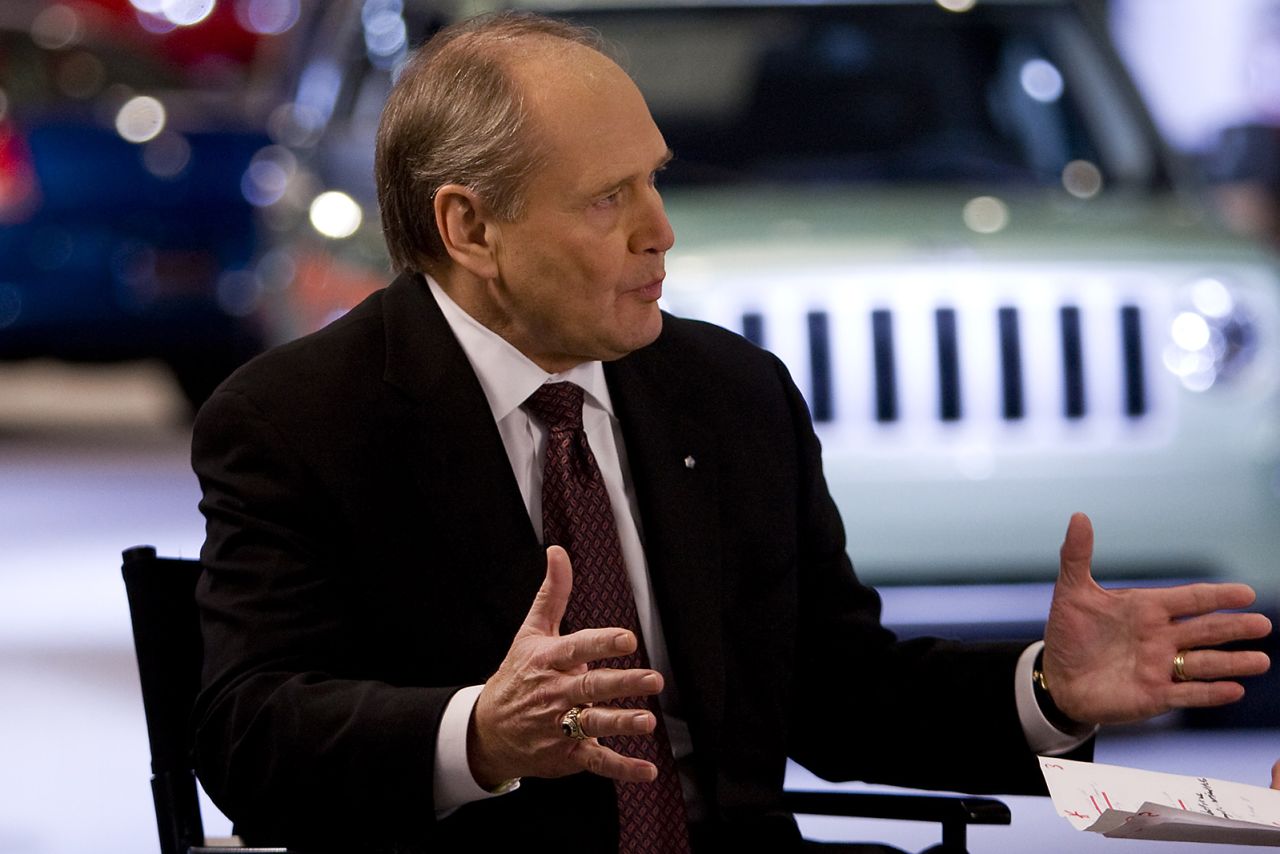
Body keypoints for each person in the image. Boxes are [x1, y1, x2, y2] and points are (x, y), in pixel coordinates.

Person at [190, 12, 1273, 852]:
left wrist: (1044, 691)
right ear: (469, 226)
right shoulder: (297, 420)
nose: (660, 231)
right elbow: (250, 733)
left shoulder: (729, 392)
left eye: (654, 178)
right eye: (609, 198)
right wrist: (478, 733)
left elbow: (838, 693)